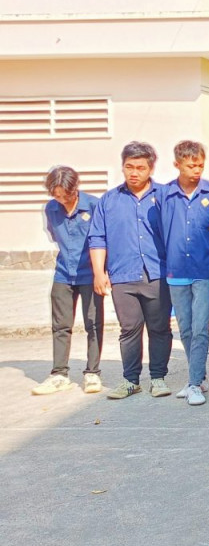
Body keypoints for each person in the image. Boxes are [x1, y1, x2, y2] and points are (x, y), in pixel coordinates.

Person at [86, 142, 172, 400]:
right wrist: (99, 273)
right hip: (123, 275)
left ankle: (158, 378)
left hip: (157, 274)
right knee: (129, 328)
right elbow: (97, 237)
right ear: (122, 167)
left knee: (159, 328)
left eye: (140, 168)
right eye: (129, 167)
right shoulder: (109, 200)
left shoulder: (165, 196)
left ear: (151, 168)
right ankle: (130, 380)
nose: (134, 173)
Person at [161, 141, 209, 406]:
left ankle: (194, 383)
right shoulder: (164, 195)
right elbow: (159, 233)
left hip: (205, 269)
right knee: (185, 328)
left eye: (200, 165)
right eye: (191, 166)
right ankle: (198, 376)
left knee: (200, 327)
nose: (196, 170)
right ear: (177, 164)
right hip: (176, 270)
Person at [32, 166, 105, 396]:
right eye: (57, 196)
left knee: (93, 323)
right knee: (60, 325)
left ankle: (92, 372)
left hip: (90, 274)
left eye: (66, 195)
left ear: (76, 188)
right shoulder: (51, 208)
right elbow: (54, 235)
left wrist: (102, 273)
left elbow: (104, 240)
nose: (62, 200)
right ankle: (59, 374)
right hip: (63, 273)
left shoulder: (94, 206)